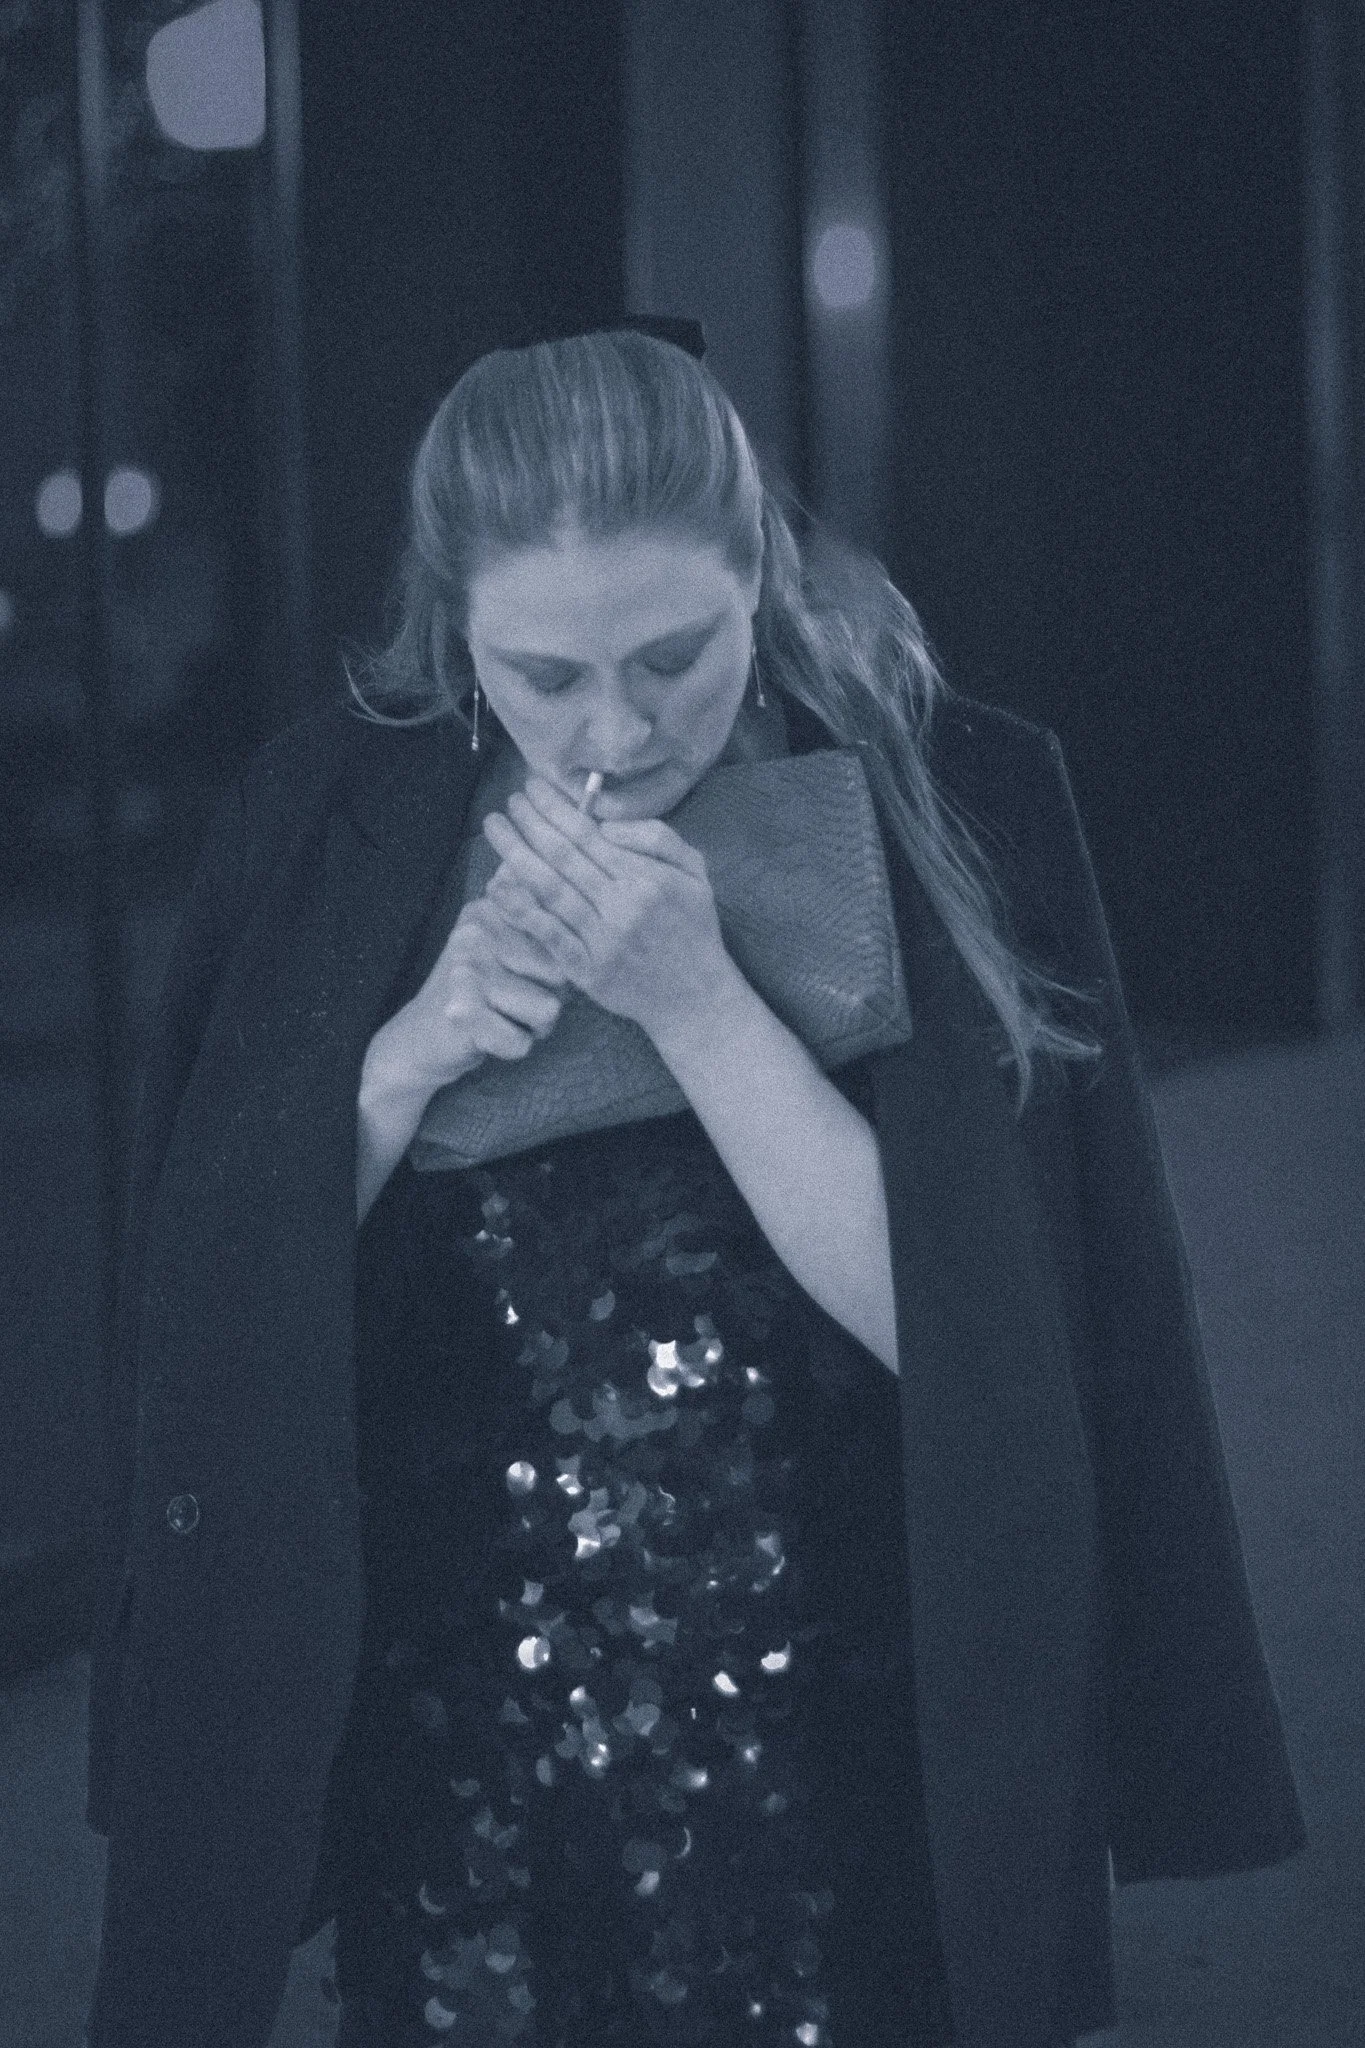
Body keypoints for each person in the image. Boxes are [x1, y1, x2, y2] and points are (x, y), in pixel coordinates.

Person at [84, 324, 1306, 2048]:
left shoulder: (964, 802)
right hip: (459, 1713)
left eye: (675, 657)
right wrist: (407, 1060)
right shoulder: (318, 823)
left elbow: (990, 1348)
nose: (616, 728)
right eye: (543, 675)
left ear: (761, 577)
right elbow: (213, 1317)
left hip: (850, 1699)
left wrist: (699, 1004)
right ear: (454, 626)